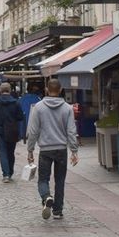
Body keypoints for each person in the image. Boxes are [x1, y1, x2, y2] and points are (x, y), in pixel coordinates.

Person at [26, 78, 78, 219]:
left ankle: (46, 197)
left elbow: (33, 130)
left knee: (43, 179)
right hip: (61, 149)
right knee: (60, 180)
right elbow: (71, 131)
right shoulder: (67, 108)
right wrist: (74, 150)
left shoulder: (38, 107)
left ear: (47, 89)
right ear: (60, 90)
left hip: (45, 150)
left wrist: (30, 149)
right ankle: (57, 211)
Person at [0, 82, 25, 183]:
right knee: (10, 152)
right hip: (12, 130)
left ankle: (6, 174)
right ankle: (10, 172)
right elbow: (20, 117)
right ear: (10, 90)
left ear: (0, 90)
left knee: (2, 152)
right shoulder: (16, 103)